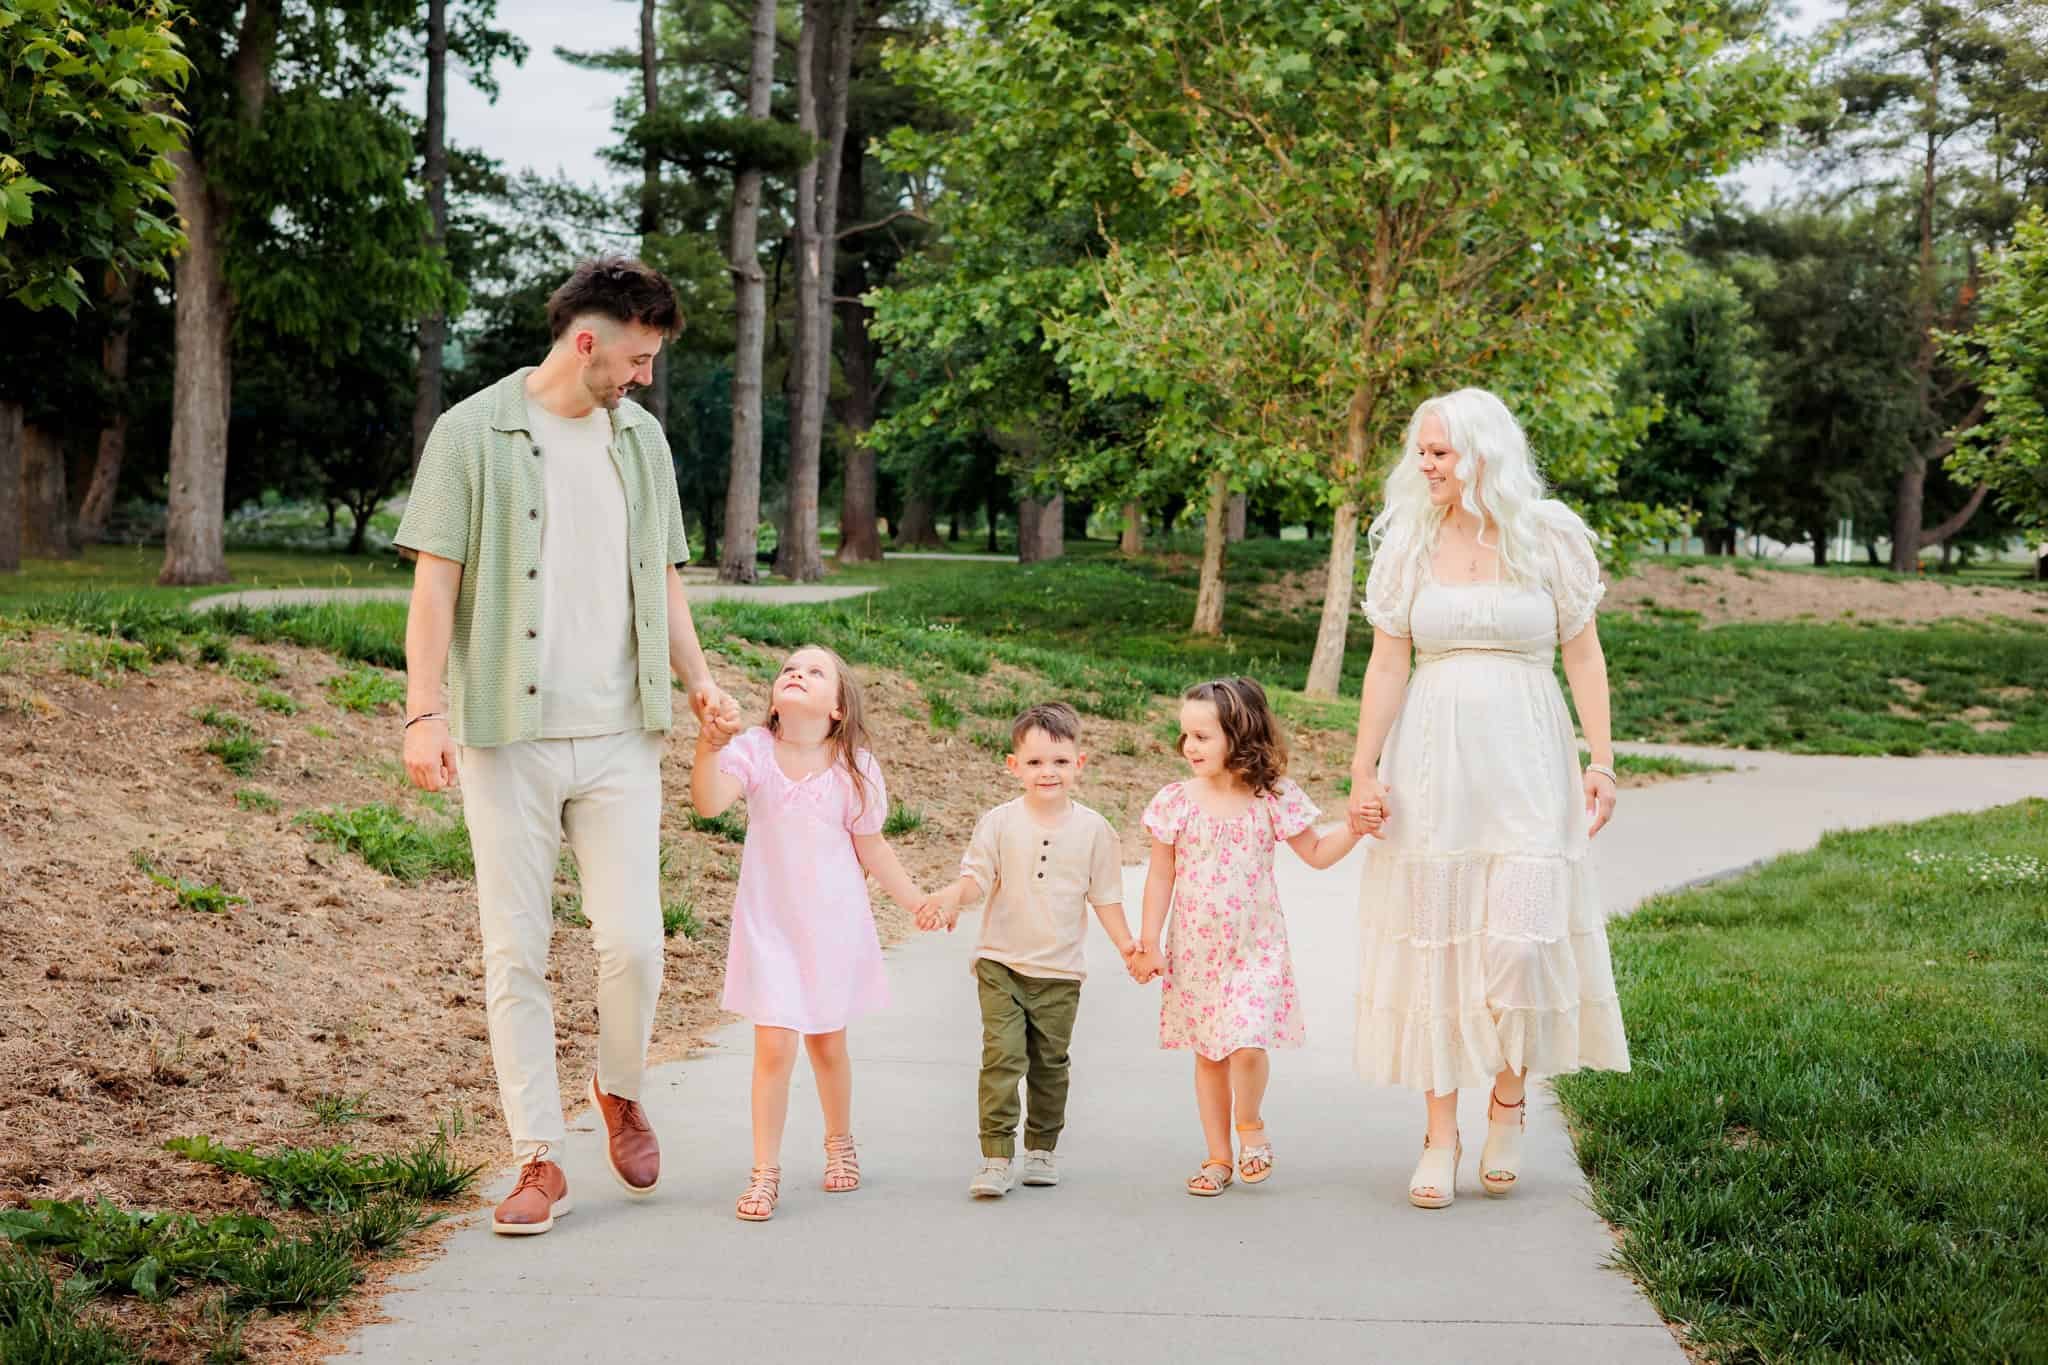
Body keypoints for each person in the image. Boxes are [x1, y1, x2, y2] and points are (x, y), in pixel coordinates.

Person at [397, 256, 736, 1236]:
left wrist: (700, 680)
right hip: (509, 735)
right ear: (585, 341)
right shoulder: (473, 435)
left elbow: (665, 581)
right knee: (517, 950)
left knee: (633, 941)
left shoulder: (643, 443)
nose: (643, 377)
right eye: (635, 358)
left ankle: (618, 1086)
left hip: (622, 733)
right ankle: (536, 1158)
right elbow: (433, 588)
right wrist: (424, 714)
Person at [1346, 387, 1629, 1211]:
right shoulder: (1409, 541)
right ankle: (1441, 1134)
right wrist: (1364, 769)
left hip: (1530, 769)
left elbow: (1584, 655)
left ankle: (1509, 1102)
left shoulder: (1549, 536)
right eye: (1421, 452)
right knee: (1438, 948)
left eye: (1441, 451)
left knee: (1522, 942)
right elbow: (1388, 663)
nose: (1424, 464)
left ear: (1485, 453)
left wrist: (1603, 760)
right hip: (1435, 771)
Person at [691, 644, 925, 1223]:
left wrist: (918, 901)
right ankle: (765, 1171)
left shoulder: (855, 768)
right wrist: (707, 749)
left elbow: (872, 845)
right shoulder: (752, 751)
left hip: (832, 928)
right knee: (774, 1047)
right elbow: (708, 803)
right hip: (769, 924)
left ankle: (839, 1140)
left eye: (814, 672)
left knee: (827, 1044)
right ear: (775, 695)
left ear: (838, 708)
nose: (796, 674)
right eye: (789, 669)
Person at [1132, 677, 1361, 1197]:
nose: (1189, 747)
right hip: (1194, 951)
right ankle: (1217, 1157)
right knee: (1210, 1055)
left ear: (1241, 734)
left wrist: (1358, 828)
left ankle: (1250, 1125)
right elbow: (1160, 875)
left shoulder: (1271, 797)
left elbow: (1318, 854)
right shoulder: (1175, 802)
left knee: (1248, 1042)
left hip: (1256, 949)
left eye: (1202, 736)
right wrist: (1150, 941)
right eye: (1185, 735)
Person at [920, 702, 1142, 1200]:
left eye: (1060, 762)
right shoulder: (999, 822)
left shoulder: (1095, 831)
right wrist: (952, 897)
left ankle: (1041, 1147)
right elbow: (977, 876)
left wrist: (1129, 947)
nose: (1048, 772)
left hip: (1060, 972)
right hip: (1000, 962)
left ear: (1079, 765)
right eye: (1036, 762)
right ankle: (997, 1156)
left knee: (1049, 1063)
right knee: (1002, 1059)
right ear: (1013, 765)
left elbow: (1105, 897)